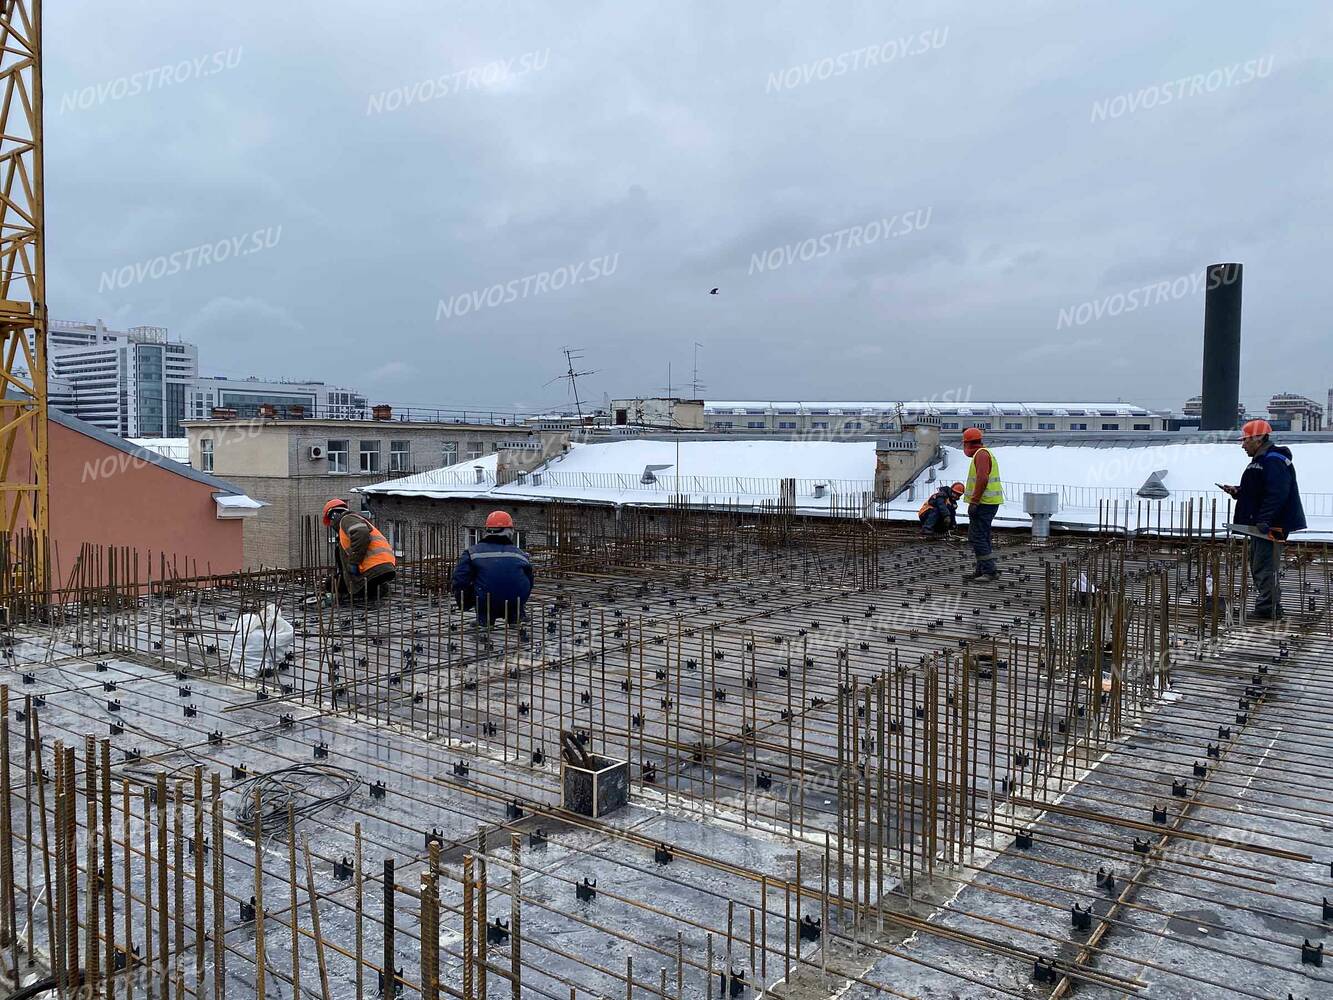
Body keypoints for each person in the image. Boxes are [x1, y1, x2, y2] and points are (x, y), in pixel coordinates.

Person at [1220, 419, 1305, 620]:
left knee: (1265, 566)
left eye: (1246, 440)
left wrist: (1265, 519)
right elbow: (1260, 491)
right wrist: (1239, 492)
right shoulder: (1262, 459)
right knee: (1258, 565)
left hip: (1271, 525)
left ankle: (1269, 608)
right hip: (1261, 524)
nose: (1242, 445)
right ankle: (1269, 605)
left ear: (1258, 439)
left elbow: (1277, 493)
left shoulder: (1273, 460)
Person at [452, 510, 534, 626]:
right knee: (516, 586)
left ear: (487, 531)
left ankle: (484, 620)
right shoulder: (520, 554)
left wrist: (464, 603)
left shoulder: (472, 553)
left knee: (480, 588)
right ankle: (516, 617)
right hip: (514, 602)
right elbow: (530, 581)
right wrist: (522, 599)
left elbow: (460, 580)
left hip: (486, 602)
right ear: (510, 531)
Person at [323, 498, 397, 604]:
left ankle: (374, 590)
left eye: (330, 520)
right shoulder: (353, 523)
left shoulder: (347, 519)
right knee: (348, 585)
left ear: (334, 515)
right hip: (384, 567)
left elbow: (361, 533)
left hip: (373, 568)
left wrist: (354, 562)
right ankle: (378, 589)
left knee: (331, 583)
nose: (330, 524)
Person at [961, 427, 1004, 581]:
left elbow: (982, 479)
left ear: (968, 444)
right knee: (982, 537)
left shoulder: (981, 455)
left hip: (984, 503)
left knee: (977, 537)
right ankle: (982, 570)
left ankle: (989, 571)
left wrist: (974, 501)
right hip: (987, 503)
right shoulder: (983, 454)